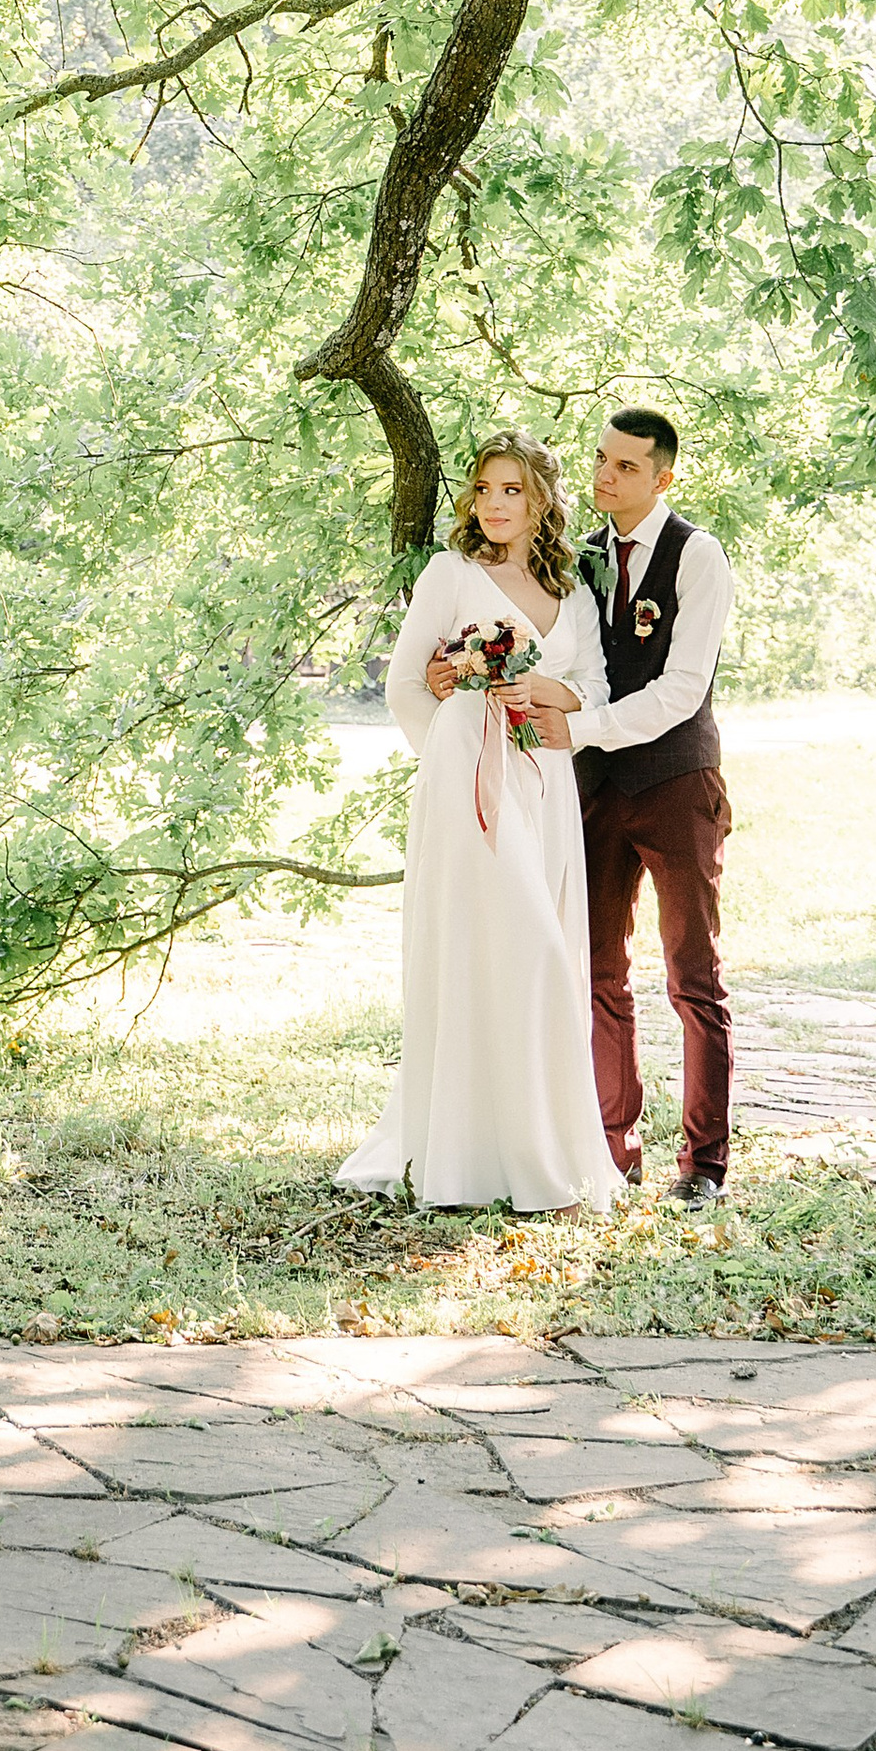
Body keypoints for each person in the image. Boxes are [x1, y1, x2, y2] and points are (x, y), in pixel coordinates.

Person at [338, 430, 618, 1215]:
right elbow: (403, 684)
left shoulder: (573, 592)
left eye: (513, 490)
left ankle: (530, 1150)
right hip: (468, 781)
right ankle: (491, 1157)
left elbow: (594, 691)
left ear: (542, 501)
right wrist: (453, 750)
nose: (495, 503)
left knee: (536, 951)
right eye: (485, 488)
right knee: (509, 948)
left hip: (544, 780)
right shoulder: (450, 573)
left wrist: (539, 690)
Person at [575, 407, 737, 1205]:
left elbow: (681, 688)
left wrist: (583, 727)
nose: (605, 475)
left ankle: (704, 1164)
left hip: (676, 784)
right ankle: (615, 1148)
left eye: (626, 466)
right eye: (602, 459)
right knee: (598, 970)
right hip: (598, 789)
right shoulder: (580, 558)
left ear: (662, 476)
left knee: (692, 974)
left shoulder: (697, 554)